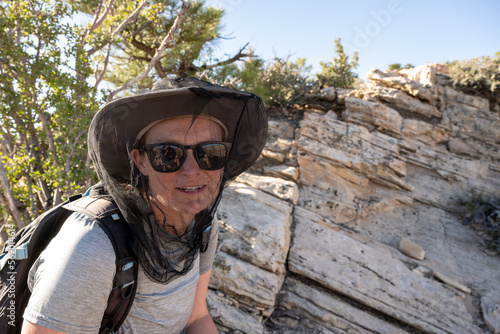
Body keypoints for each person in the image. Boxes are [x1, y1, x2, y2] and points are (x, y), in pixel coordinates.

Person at [20, 77, 268, 334]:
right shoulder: (92, 247)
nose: (193, 171)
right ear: (140, 161)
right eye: (168, 154)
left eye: (210, 153)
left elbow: (196, 316)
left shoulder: (203, 224)